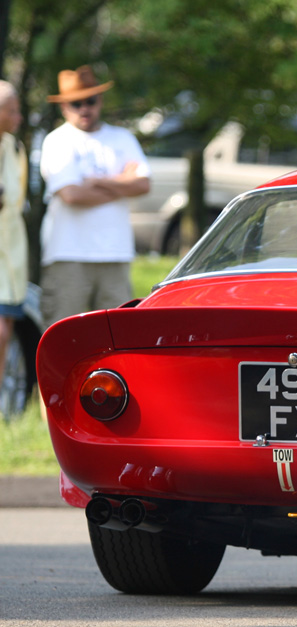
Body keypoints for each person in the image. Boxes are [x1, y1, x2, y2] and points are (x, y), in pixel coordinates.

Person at [39, 65, 150, 327]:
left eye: (90, 100)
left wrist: (98, 181)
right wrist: (123, 182)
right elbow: (71, 194)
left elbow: (143, 185)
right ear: (64, 107)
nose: (84, 108)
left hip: (116, 254)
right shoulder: (57, 141)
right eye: (75, 103)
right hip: (68, 255)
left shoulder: (122, 137)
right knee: (63, 337)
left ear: (100, 100)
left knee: (118, 337)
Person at [0, 80, 27, 399]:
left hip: (11, 250)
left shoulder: (13, 147)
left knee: (5, 321)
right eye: (11, 111)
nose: (18, 117)